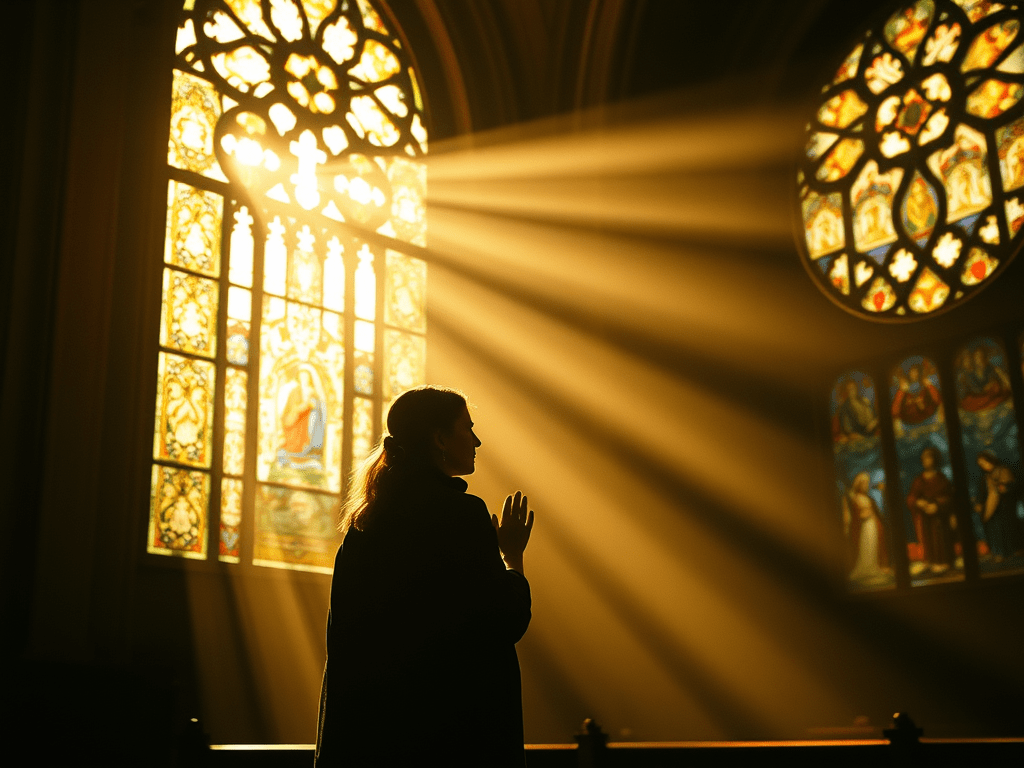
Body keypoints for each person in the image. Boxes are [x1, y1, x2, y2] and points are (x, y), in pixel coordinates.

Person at [315, 386, 535, 767]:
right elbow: (504, 619)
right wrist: (511, 555)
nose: (477, 439)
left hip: (374, 739)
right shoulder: (459, 514)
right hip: (447, 740)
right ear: (439, 438)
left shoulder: (367, 522)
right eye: (467, 427)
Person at [906, 447, 956, 574]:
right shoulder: (919, 479)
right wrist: (918, 502)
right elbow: (912, 497)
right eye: (923, 458)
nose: (925, 461)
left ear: (935, 459)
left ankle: (942, 562)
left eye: (928, 458)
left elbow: (950, 497)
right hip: (924, 517)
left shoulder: (941, 478)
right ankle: (929, 561)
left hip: (939, 516)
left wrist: (937, 505)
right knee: (927, 539)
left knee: (940, 538)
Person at [974, 450, 1023, 562]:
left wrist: (1005, 488)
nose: (984, 466)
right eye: (981, 464)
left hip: (1005, 507)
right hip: (992, 508)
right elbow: (982, 492)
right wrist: (979, 503)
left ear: (991, 460)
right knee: (994, 530)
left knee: (1007, 529)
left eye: (985, 462)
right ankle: (998, 552)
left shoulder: (1004, 470)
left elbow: (1014, 486)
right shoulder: (985, 477)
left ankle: (1012, 550)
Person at [842, 471, 890, 581]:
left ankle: (874, 567)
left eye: (867, 483)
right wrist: (863, 515)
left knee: (873, 546)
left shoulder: (869, 498)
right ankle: (866, 569)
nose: (866, 486)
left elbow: (875, 512)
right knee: (866, 547)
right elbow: (855, 515)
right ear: (858, 484)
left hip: (873, 526)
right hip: (864, 528)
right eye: (863, 483)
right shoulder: (854, 498)